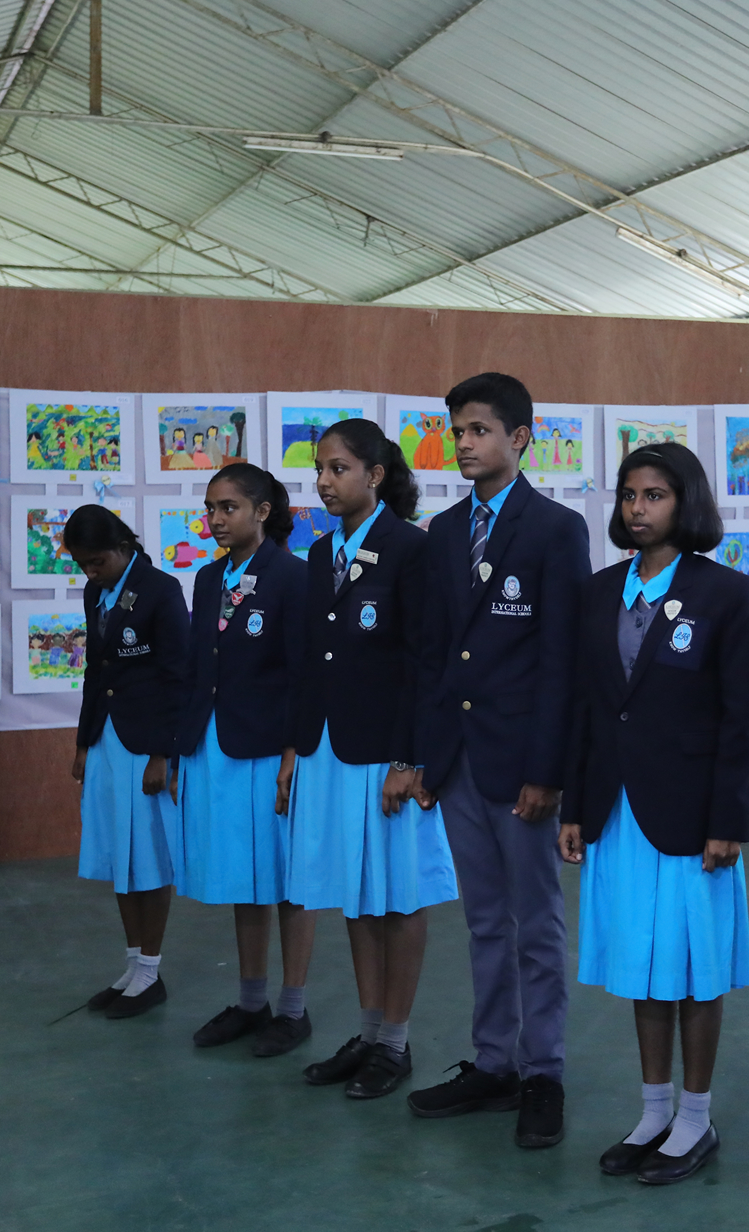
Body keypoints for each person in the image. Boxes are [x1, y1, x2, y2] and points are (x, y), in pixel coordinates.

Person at [559, 442, 749, 1186]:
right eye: (629, 496)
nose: (637, 510)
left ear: (687, 503)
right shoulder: (599, 591)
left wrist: (728, 820)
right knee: (643, 967)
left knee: (694, 968)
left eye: (655, 496)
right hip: (615, 811)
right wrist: (577, 805)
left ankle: (696, 1117)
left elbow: (741, 720)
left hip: (690, 815)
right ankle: (653, 1110)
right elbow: (588, 709)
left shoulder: (727, 594)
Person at [408, 372, 591, 1149]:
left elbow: (564, 663)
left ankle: (543, 1072)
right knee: (484, 922)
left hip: (523, 768)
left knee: (536, 925)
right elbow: (431, 657)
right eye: (458, 432)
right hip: (458, 764)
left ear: (520, 438)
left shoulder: (556, 530)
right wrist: (422, 757)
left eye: (480, 430)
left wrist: (548, 772)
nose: (466, 444)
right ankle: (494, 1064)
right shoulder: (445, 534)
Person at [287, 418, 454, 1100]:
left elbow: (426, 661)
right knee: (356, 893)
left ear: (375, 475)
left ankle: (397, 1041)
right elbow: (310, 663)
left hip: (386, 752)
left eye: (338, 469)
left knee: (399, 892)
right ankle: (368, 1030)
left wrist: (411, 760)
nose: (325, 481)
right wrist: (297, 747)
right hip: (330, 748)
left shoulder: (411, 549)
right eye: (320, 470)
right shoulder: (320, 554)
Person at [179, 464, 316, 1058]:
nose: (215, 520)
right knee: (244, 877)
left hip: (271, 748)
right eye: (210, 508)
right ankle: (251, 1000)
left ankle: (293, 1008)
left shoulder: (293, 577)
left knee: (288, 881)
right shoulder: (208, 579)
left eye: (228, 508)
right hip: (217, 746)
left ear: (262, 511)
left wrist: (292, 755)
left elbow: (304, 675)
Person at [67, 505, 190, 1020]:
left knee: (148, 856)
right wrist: (81, 741)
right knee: (120, 852)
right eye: (82, 565)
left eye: (96, 562)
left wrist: (164, 753)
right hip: (107, 739)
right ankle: (132, 964)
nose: (89, 573)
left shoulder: (161, 590)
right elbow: (97, 672)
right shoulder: (96, 592)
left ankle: (151, 971)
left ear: (122, 547)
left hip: (146, 744)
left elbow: (177, 675)